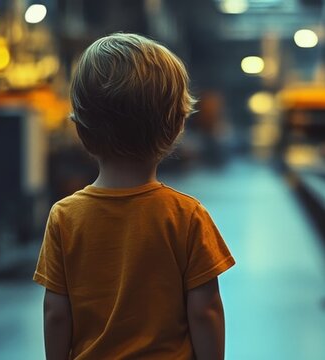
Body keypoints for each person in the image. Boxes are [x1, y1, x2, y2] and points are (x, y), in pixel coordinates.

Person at [33, 33, 235, 360]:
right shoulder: (187, 216)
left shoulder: (64, 217)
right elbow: (205, 310)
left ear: (82, 131)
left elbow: (56, 313)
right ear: (176, 128)